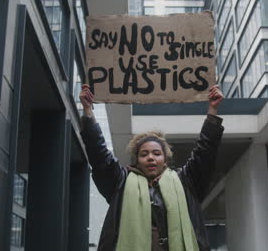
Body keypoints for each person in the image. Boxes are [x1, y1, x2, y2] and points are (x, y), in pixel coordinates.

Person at [79, 84, 224, 251]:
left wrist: (213, 110)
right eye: (144, 154)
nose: (150, 158)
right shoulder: (120, 182)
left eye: (156, 153)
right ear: (136, 160)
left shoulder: (186, 182)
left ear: (165, 159)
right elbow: (99, 155)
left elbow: (205, 152)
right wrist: (88, 111)